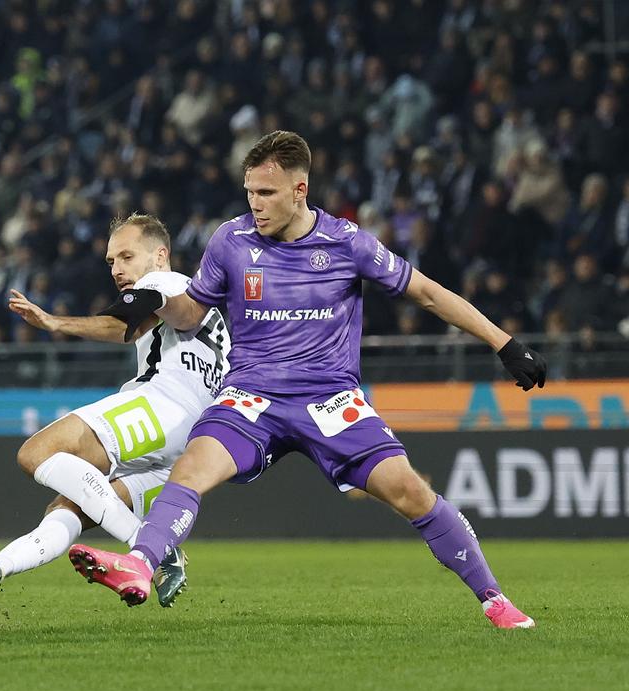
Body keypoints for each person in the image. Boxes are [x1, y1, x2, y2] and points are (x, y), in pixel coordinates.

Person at [76, 131, 546, 629]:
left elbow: (427, 294)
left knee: (410, 492)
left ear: (300, 190)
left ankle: (495, 600)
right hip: (250, 396)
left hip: (330, 400)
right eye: (250, 192)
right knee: (192, 468)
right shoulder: (230, 242)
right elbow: (193, 312)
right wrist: (159, 300)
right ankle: (140, 564)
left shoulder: (347, 244)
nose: (255, 205)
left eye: (267, 193)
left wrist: (504, 343)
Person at [0, 214, 230, 608]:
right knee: (70, 505)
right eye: (111, 262)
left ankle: (155, 550)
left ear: (159, 255)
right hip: (191, 439)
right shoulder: (207, 310)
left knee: (36, 453)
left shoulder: (165, 281)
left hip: (163, 404)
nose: (117, 269)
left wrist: (53, 322)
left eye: (126, 256)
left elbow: (123, 325)